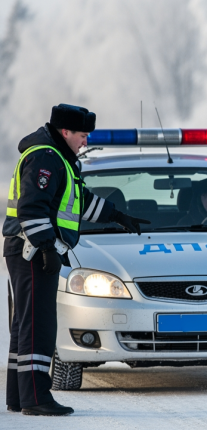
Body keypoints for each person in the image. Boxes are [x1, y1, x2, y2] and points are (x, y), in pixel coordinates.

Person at [3, 104, 150, 416]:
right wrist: (46, 249)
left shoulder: (60, 160)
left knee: (26, 323)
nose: (85, 142)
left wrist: (118, 216)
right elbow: (32, 209)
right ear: (65, 132)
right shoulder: (46, 158)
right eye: (83, 135)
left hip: (30, 251)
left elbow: (79, 202)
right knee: (37, 324)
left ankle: (19, 397)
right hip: (31, 251)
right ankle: (36, 397)